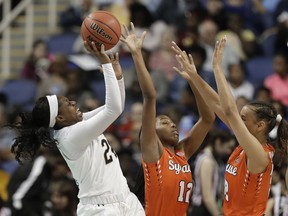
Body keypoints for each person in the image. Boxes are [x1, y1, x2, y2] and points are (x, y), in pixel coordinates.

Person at [7, 42, 145, 216]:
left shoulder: (75, 125)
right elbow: (113, 110)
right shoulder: (69, 136)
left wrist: (118, 78)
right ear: (60, 118)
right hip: (101, 209)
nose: (74, 103)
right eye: (68, 104)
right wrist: (106, 65)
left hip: (125, 199)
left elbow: (116, 107)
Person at [172, 37, 288, 215]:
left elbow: (230, 111)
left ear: (260, 126)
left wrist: (218, 69)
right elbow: (220, 106)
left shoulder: (260, 156)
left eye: (244, 118)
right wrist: (194, 77)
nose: (237, 121)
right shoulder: (245, 145)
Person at [121, 23, 215, 216]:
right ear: (150, 132)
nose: (172, 124)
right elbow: (150, 96)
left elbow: (207, 118)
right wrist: (137, 54)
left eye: (172, 122)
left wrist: (193, 79)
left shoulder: (182, 153)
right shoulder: (153, 152)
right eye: (164, 122)